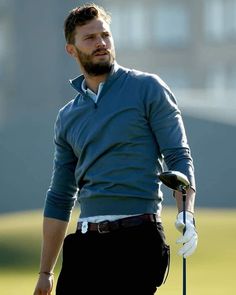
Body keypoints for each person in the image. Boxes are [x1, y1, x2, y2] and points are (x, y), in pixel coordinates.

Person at [33, 3, 198, 295]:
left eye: (105, 35)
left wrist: (187, 213)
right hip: (84, 246)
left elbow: (177, 156)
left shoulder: (148, 88)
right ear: (71, 50)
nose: (101, 43)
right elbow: (60, 195)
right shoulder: (68, 116)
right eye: (90, 38)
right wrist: (46, 272)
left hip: (137, 242)